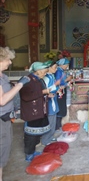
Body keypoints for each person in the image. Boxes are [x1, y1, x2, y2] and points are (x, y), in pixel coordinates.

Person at [0, 47, 30, 180]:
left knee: (4, 151)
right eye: (8, 60)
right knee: (1, 152)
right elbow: (2, 100)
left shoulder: (3, 76)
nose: (10, 63)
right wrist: (19, 85)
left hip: (6, 119)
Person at [19, 61, 51, 162]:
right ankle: (29, 154)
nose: (45, 74)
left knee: (37, 133)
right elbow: (26, 96)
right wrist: (43, 92)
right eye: (44, 72)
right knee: (30, 135)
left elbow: (37, 94)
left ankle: (32, 152)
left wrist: (46, 95)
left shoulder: (38, 80)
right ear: (38, 71)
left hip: (39, 110)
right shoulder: (26, 80)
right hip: (31, 112)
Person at [41, 61, 61, 146]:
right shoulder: (46, 78)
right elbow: (43, 90)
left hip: (53, 100)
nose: (56, 69)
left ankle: (50, 136)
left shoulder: (51, 76)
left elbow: (53, 87)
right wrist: (49, 93)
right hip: (49, 102)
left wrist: (57, 90)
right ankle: (45, 140)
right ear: (48, 68)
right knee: (49, 121)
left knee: (53, 120)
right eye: (54, 67)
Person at [54, 58, 72, 131]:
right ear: (62, 64)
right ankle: (56, 126)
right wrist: (67, 80)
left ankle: (58, 125)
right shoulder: (58, 71)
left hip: (62, 90)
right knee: (59, 107)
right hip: (59, 91)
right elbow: (58, 82)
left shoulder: (61, 70)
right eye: (66, 64)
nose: (67, 66)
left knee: (61, 107)